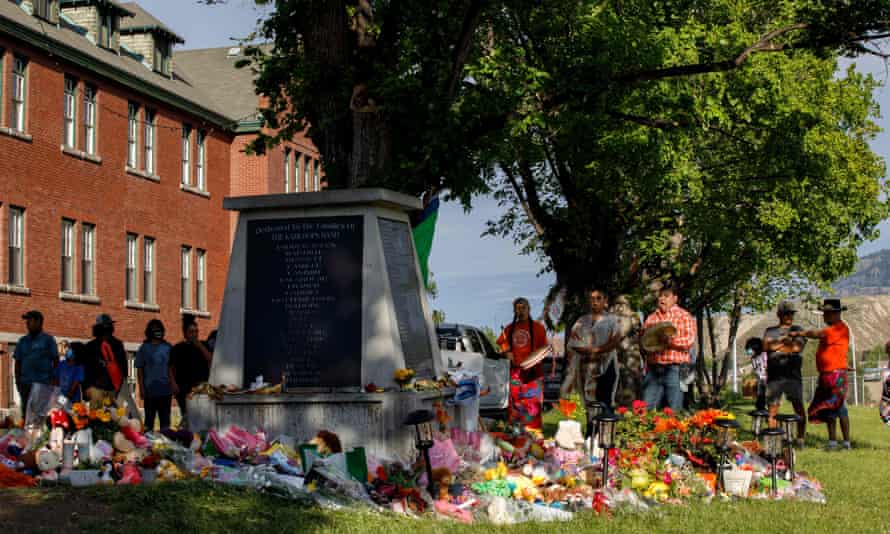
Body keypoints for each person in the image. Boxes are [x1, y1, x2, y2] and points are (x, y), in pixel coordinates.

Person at [789, 298, 851, 450]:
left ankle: (844, 442)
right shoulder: (834, 329)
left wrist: (799, 332)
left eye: (827, 313)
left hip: (834, 375)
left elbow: (816, 334)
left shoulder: (838, 328)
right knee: (832, 407)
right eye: (824, 313)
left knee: (836, 407)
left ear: (836, 313)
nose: (824, 316)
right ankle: (834, 442)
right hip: (830, 374)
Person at [565, 288, 622, 438]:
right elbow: (573, 343)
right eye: (592, 299)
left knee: (605, 402)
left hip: (606, 366)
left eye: (598, 298)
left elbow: (616, 340)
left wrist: (597, 350)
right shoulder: (581, 321)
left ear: (605, 301)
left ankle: (606, 438)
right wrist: (590, 351)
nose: (594, 302)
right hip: (585, 368)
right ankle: (590, 435)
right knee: (589, 402)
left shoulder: (611, 320)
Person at [640, 284, 696, 412]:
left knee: (673, 409)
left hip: (675, 368)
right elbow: (643, 341)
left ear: (675, 298)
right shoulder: (651, 318)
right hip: (653, 369)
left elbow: (689, 341)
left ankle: (672, 431)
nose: (662, 299)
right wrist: (645, 345)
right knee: (645, 409)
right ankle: (645, 431)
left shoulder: (684, 316)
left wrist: (669, 342)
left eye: (666, 296)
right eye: (660, 296)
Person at [496, 298, 549, 430]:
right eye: (517, 308)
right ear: (514, 310)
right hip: (516, 374)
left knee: (533, 407)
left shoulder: (539, 328)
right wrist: (506, 352)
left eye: (523, 307)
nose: (520, 311)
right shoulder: (509, 329)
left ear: (529, 309)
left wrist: (536, 359)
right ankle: (516, 435)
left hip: (534, 374)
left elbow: (545, 349)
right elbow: (501, 345)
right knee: (515, 407)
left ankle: (535, 435)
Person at [762, 301, 806, 445]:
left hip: (792, 375)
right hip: (775, 377)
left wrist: (776, 346)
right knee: (773, 409)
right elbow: (766, 346)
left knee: (798, 407)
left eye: (791, 313)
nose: (789, 316)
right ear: (778, 315)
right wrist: (784, 342)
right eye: (786, 313)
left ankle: (800, 438)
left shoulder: (798, 329)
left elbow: (796, 348)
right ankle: (773, 439)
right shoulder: (770, 330)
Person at [83, 314, 137, 417]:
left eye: (108, 326)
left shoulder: (118, 344)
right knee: (97, 419)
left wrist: (121, 386)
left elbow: (124, 368)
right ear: (98, 328)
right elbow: (86, 370)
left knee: (126, 416)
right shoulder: (90, 347)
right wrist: (87, 388)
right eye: (103, 326)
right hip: (97, 388)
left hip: (116, 387)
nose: (106, 329)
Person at [170, 315, 213, 427]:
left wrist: (199, 345)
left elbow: (210, 359)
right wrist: (173, 384)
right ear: (185, 333)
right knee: (187, 415)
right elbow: (171, 368)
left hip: (200, 387)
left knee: (201, 415)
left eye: (196, 331)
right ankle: (186, 435)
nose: (194, 334)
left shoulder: (203, 345)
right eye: (191, 332)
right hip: (184, 388)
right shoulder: (177, 348)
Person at [136, 320, 175, 432]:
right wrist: (142, 389)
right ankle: (148, 445)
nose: (158, 331)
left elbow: (171, 368)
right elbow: (140, 370)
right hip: (150, 391)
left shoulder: (168, 347)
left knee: (165, 423)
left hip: (165, 390)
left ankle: (166, 444)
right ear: (149, 331)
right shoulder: (144, 348)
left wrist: (173, 385)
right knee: (149, 422)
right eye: (155, 329)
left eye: (159, 329)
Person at [13, 310, 58, 409]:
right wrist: (18, 382)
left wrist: (54, 382)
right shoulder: (22, 341)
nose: (27, 323)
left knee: (41, 416)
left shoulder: (48, 340)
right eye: (27, 320)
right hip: (26, 385)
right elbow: (18, 362)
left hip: (43, 385)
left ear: (38, 322)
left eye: (30, 320)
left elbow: (56, 362)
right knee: (27, 417)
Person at [745, 337, 767, 411]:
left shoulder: (764, 355)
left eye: (750, 349)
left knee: (765, 397)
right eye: (748, 350)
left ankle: (769, 414)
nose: (749, 352)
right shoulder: (753, 359)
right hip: (760, 380)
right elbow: (756, 370)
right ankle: (761, 410)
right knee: (759, 400)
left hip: (767, 380)